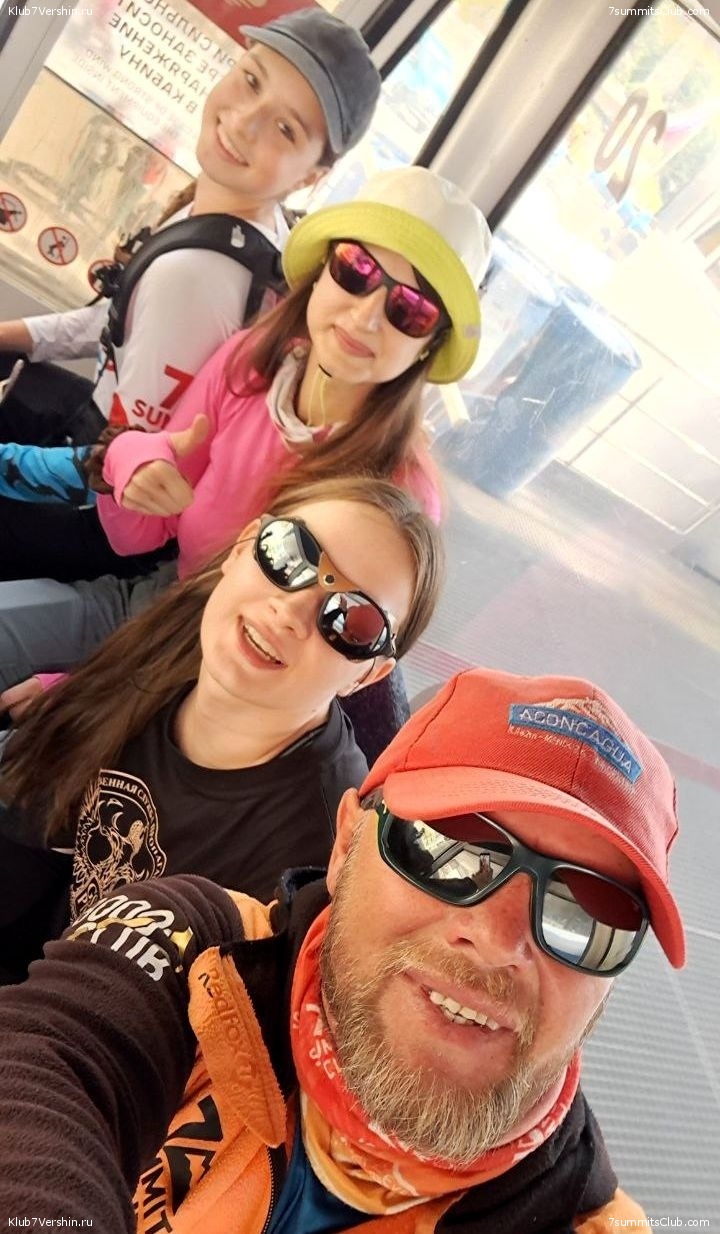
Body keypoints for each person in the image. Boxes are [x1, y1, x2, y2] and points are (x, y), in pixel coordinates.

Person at [0, 666, 683, 1231]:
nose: (498, 940)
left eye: (585, 912)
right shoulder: (193, 952)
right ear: (347, 843)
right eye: (449, 850)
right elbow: (46, 1068)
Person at [0, 167, 492, 701]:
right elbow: (139, 535)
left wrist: (75, 690)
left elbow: (298, 670)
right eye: (357, 269)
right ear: (322, 271)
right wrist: (130, 461)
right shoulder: (250, 367)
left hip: (230, 672)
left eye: (411, 311)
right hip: (163, 599)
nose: (367, 316)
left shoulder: (401, 491)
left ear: (427, 347)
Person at [0, 475, 442, 984]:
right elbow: (27, 828)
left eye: (354, 621)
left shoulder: (308, 865)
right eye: (289, 554)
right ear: (243, 546)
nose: (290, 611)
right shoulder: (173, 640)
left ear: (367, 675)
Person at [0, 7, 381, 581]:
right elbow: (124, 318)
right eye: (251, 80)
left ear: (311, 175)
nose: (245, 122)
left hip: (99, 507)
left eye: (286, 129)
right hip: (105, 452)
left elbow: (116, 461)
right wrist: (13, 336)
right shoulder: (254, 230)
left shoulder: (197, 277)